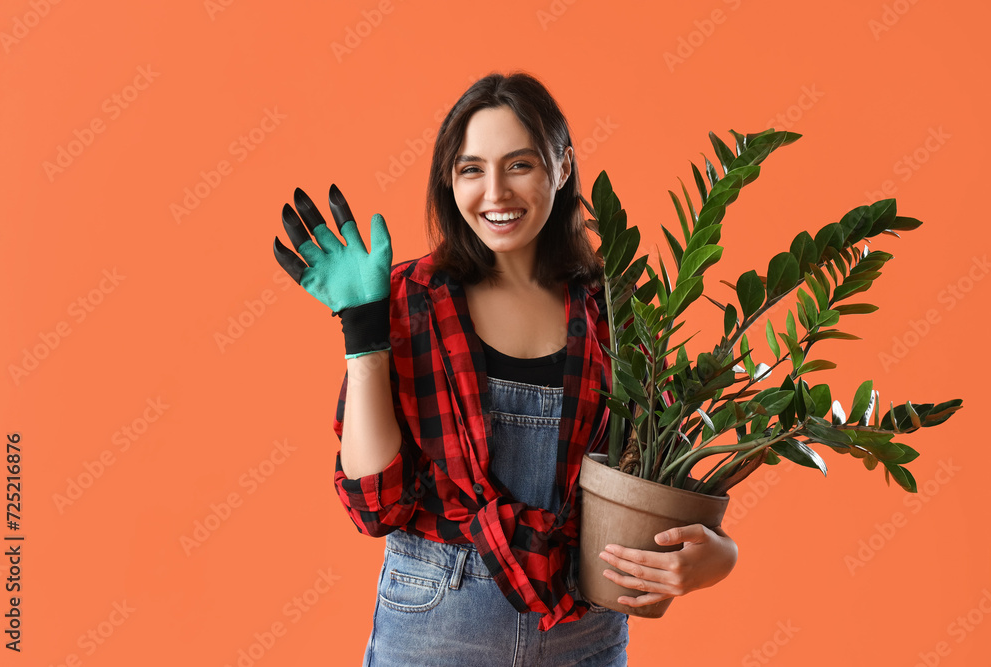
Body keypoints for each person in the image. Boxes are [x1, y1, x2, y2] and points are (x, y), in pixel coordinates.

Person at [273, 71, 739, 667]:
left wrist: (718, 558)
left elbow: (664, 481)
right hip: (435, 628)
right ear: (450, 180)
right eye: (471, 169)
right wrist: (364, 332)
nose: (495, 192)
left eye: (519, 165)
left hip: (584, 633)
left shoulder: (614, 313)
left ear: (562, 167)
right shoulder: (409, 300)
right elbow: (375, 506)